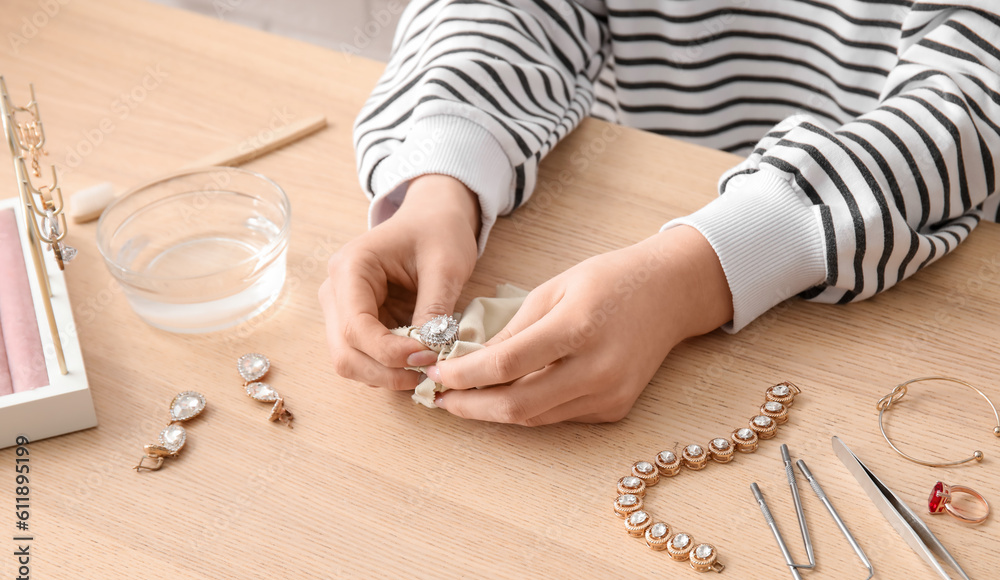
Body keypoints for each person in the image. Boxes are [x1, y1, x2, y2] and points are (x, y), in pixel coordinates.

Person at [320, 0, 1000, 425]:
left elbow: (972, 96)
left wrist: (701, 271)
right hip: (630, 196)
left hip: (905, 252)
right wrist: (443, 174)